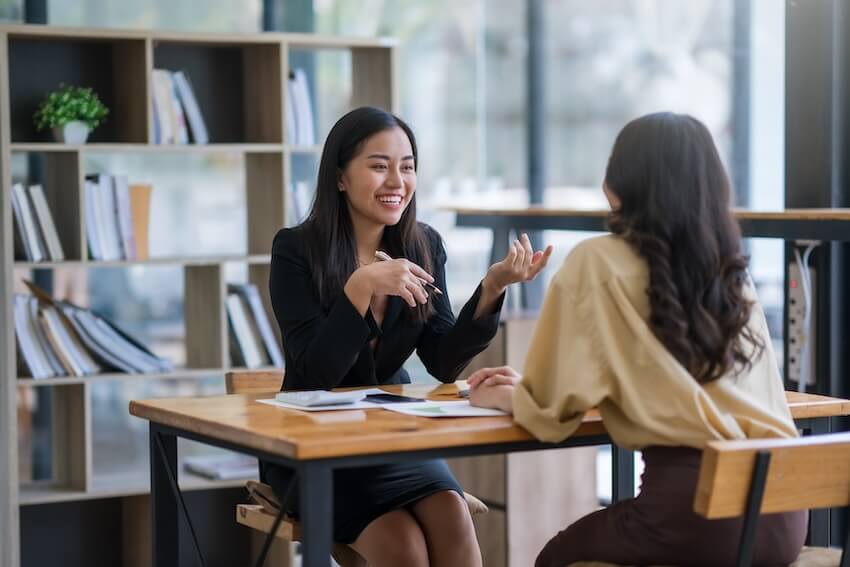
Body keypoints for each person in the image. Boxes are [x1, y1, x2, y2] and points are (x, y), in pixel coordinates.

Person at [468, 112, 807, 567]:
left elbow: (550, 415)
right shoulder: (729, 270)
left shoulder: (597, 261)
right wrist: (529, 386)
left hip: (697, 513)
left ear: (620, 180)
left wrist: (505, 397)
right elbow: (670, 379)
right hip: (786, 513)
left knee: (555, 558)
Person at [266, 106, 552, 567]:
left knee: (452, 514)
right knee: (402, 546)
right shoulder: (295, 251)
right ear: (340, 177)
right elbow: (316, 372)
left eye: (407, 167)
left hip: (391, 439)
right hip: (314, 449)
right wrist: (361, 287)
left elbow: (441, 359)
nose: (396, 181)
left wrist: (493, 286)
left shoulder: (423, 245)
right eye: (379, 166)